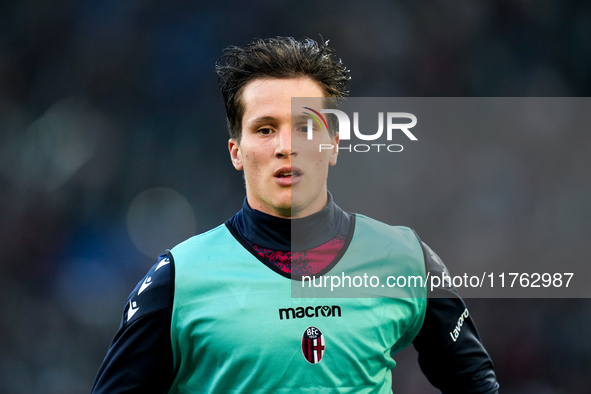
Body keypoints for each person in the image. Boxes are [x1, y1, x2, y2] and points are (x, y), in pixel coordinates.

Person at [92, 37, 499, 393]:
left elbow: (474, 383)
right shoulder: (179, 278)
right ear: (236, 151)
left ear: (334, 144)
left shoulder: (404, 258)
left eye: (306, 126)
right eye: (265, 129)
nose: (287, 146)